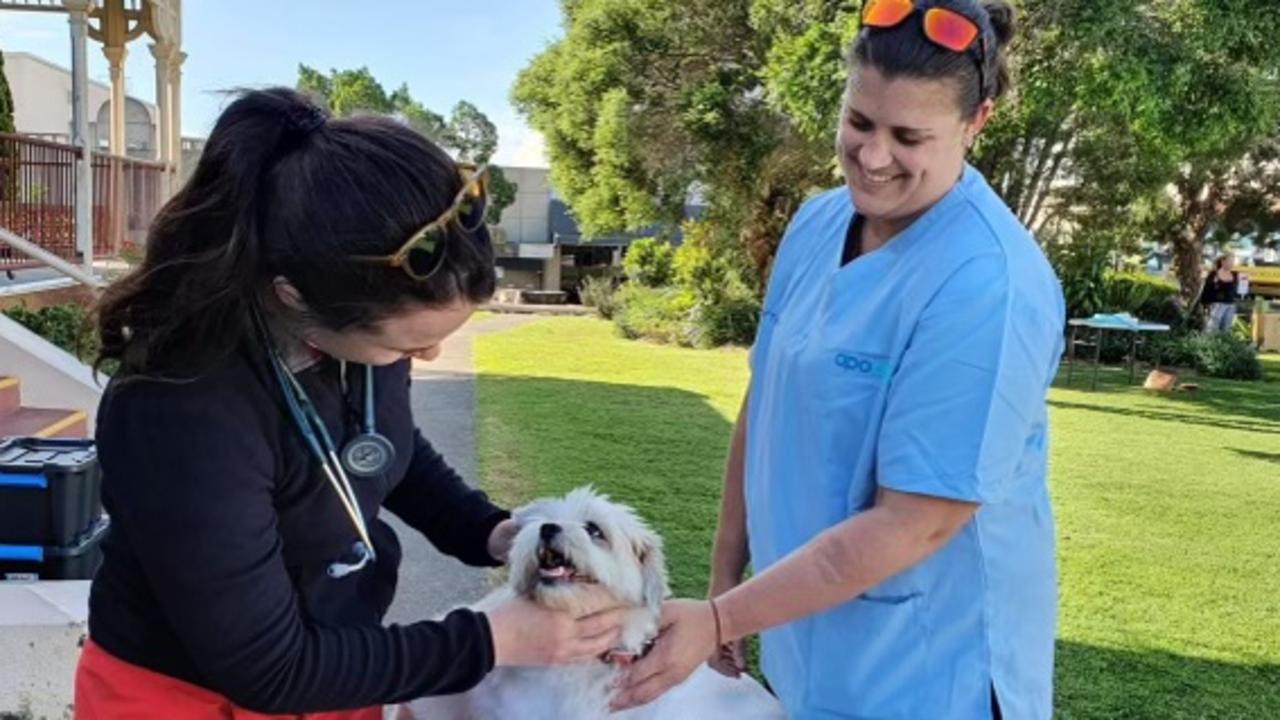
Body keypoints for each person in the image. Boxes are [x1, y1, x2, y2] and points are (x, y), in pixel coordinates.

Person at [74, 88, 625, 719]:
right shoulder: (180, 409)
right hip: (186, 696)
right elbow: (271, 670)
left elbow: (386, 446)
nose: (430, 358)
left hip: (338, 671)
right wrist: (494, 640)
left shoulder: (358, 337)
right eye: (411, 344)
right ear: (294, 298)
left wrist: (488, 531)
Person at [612, 1, 1064, 718]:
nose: (873, 156)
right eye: (859, 122)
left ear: (977, 123)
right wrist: (727, 572)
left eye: (909, 135)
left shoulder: (988, 284)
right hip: (809, 639)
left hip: (926, 674)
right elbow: (765, 403)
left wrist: (726, 618)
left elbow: (917, 522)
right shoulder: (817, 222)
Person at [1200, 255, 1241, 332]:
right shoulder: (1214, 274)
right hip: (1217, 304)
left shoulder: (1235, 274)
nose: (1232, 263)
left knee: (1226, 327)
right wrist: (1205, 303)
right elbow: (1207, 289)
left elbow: (1238, 289)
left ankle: (1223, 342)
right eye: (1230, 261)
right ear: (1223, 262)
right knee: (1213, 327)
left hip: (1230, 304)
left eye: (1233, 261)